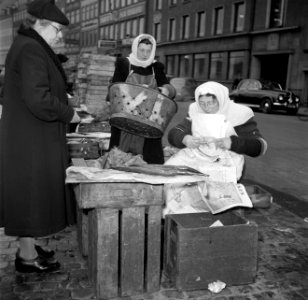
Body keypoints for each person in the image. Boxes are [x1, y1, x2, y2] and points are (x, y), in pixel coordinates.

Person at [0, 0, 80, 273]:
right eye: (58, 30)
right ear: (43, 25)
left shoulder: (30, 45)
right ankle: (26, 257)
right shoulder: (32, 48)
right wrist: (70, 114)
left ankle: (30, 247)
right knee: (30, 197)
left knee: (31, 196)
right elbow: (39, 99)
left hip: (31, 136)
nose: (60, 36)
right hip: (31, 140)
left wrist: (64, 99)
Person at [167, 81, 267, 180]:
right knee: (171, 174)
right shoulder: (196, 111)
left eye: (210, 103)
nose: (206, 108)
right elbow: (174, 132)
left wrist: (234, 143)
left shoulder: (238, 115)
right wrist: (184, 139)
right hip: (199, 160)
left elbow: (260, 147)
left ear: (221, 100)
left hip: (226, 165)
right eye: (202, 103)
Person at [108, 33, 176, 164]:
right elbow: (114, 89)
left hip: (149, 121)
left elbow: (169, 88)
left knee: (149, 161)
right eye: (142, 50)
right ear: (135, 48)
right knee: (120, 158)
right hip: (125, 119)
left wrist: (167, 89)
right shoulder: (124, 64)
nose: (145, 54)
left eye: (148, 51)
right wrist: (135, 90)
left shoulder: (156, 67)